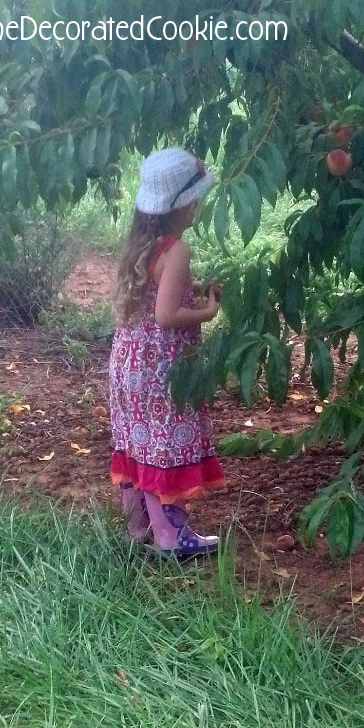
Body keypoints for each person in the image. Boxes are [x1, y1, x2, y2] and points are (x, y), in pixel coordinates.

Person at [109, 148, 226, 557]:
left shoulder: (142, 244)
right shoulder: (176, 249)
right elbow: (165, 316)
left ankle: (139, 527)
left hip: (128, 365)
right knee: (162, 446)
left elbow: (152, 300)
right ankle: (170, 537)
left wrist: (194, 291)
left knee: (138, 441)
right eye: (194, 198)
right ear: (182, 203)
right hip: (160, 370)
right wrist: (207, 311)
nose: (197, 205)